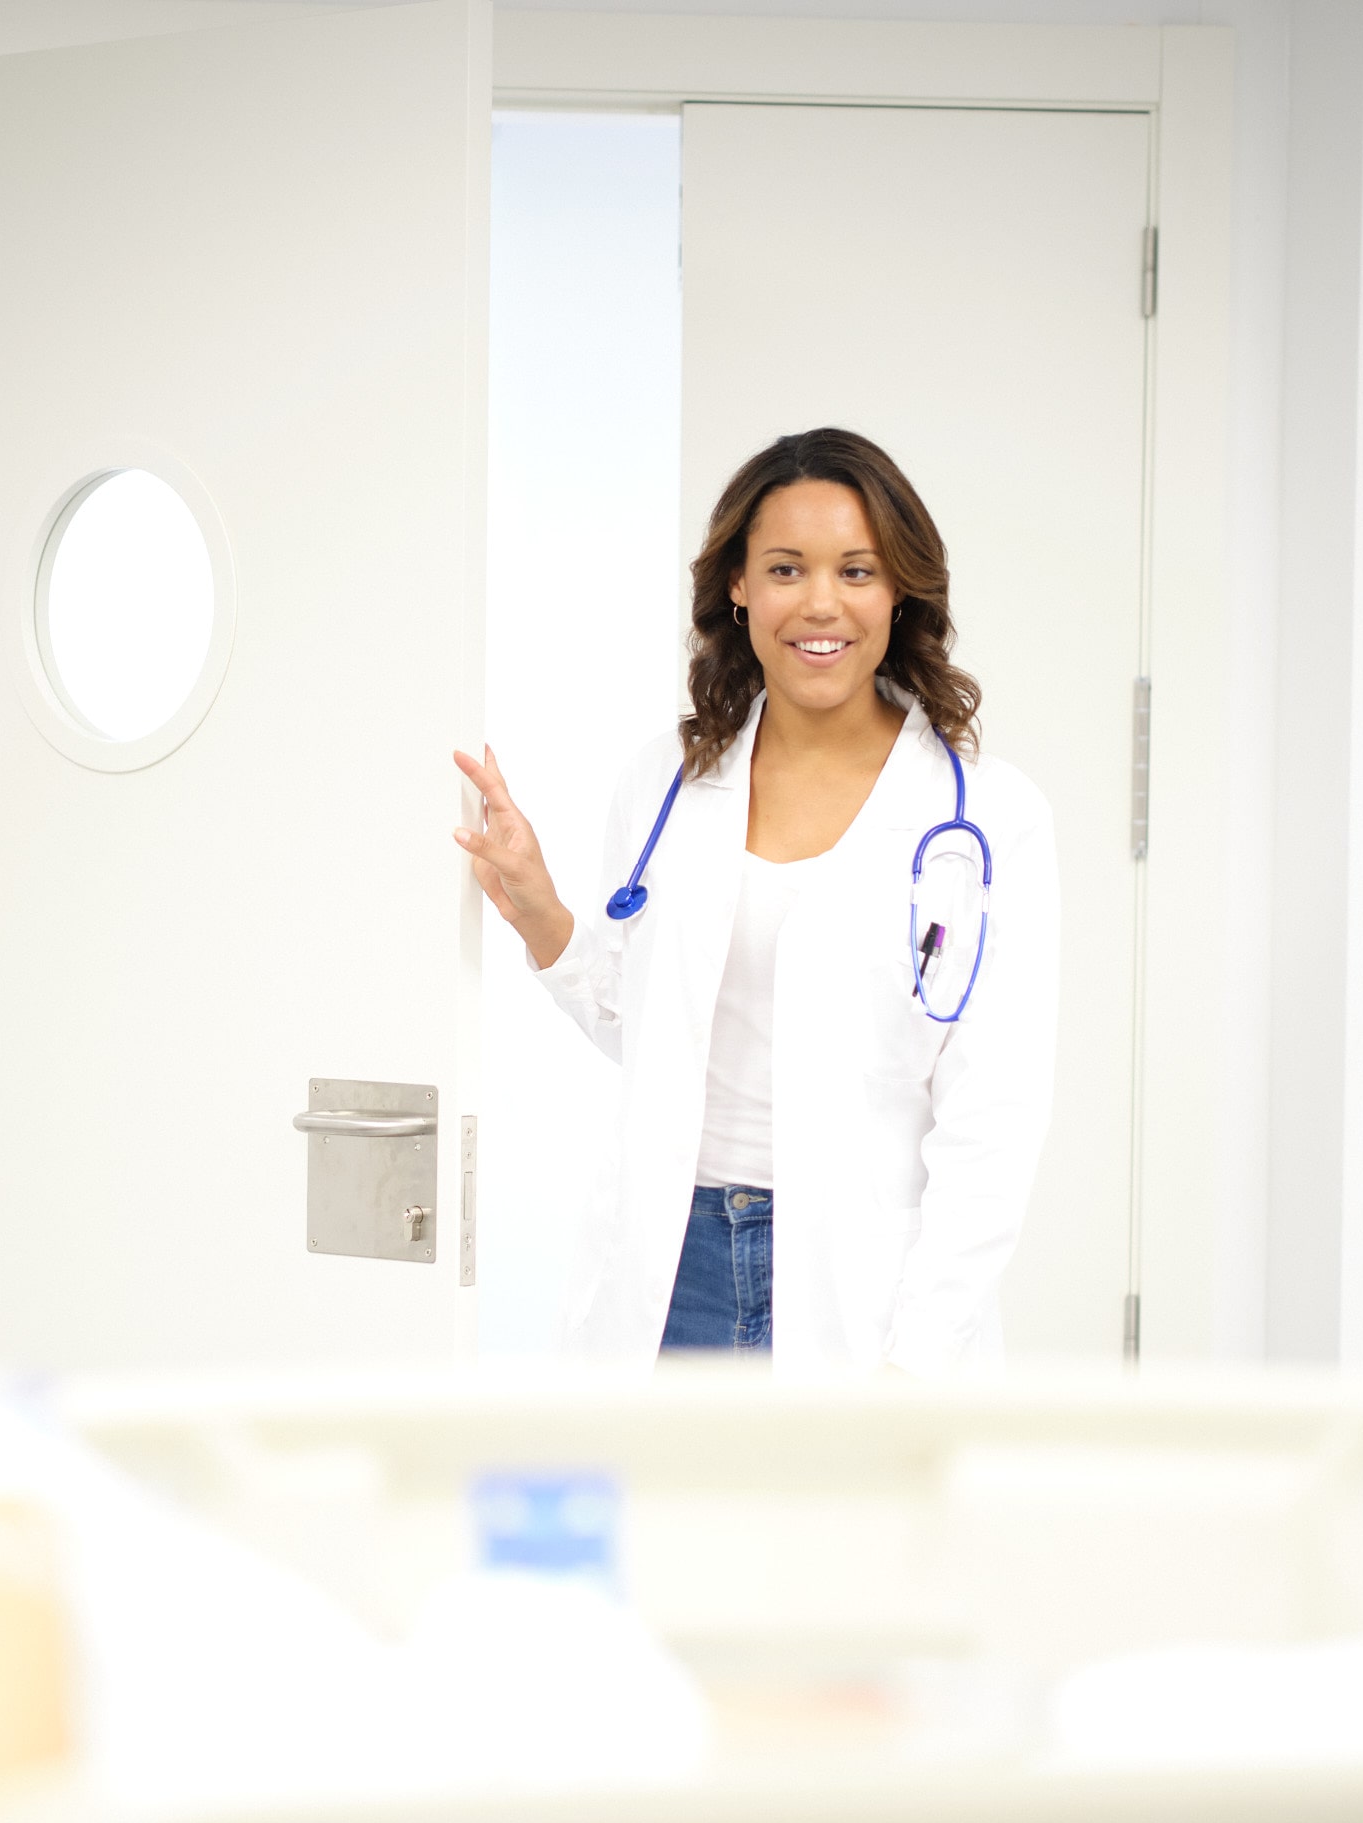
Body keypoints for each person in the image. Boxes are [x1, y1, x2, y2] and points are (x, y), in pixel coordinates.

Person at [453, 428, 1060, 1369]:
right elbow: (648, 1029)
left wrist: (921, 1355)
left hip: (865, 1283)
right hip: (673, 1267)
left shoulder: (986, 817)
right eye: (786, 568)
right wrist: (541, 913)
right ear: (738, 585)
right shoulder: (666, 780)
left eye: (856, 571)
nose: (821, 603)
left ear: (899, 591)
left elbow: (992, 1123)